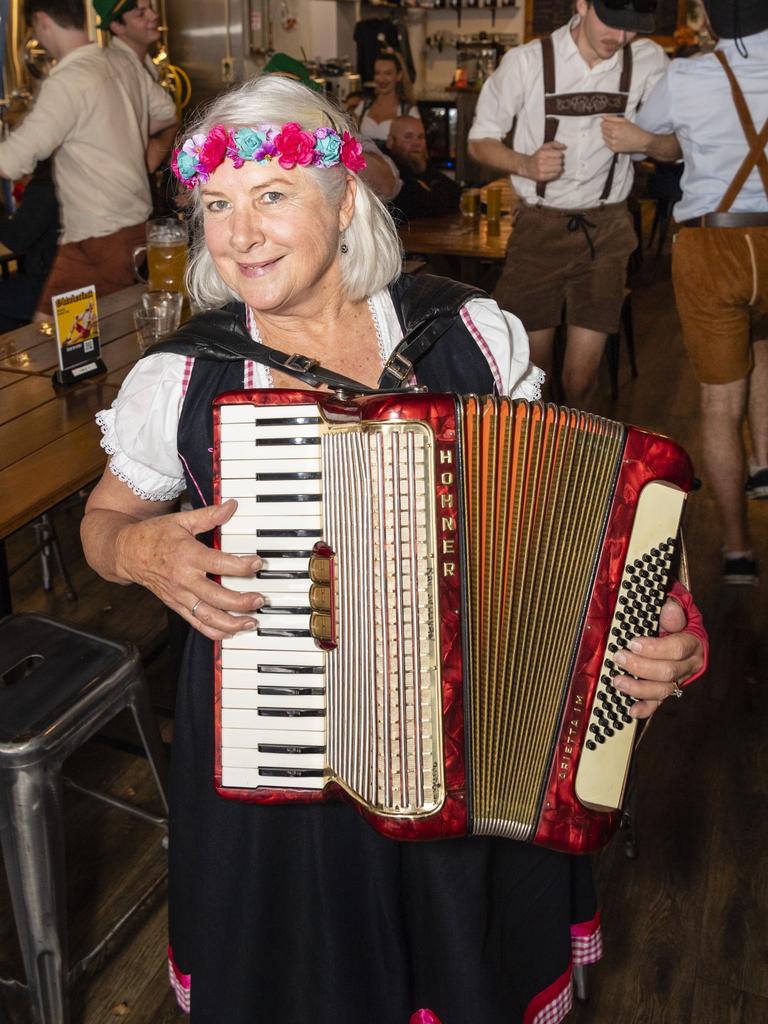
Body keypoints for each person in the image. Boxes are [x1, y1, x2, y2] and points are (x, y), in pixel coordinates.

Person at [80, 76, 707, 1024]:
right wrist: (139, 556)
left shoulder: (469, 332)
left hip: (472, 741)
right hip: (285, 767)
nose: (238, 234)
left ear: (345, 201)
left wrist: (662, 618)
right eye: (216, 205)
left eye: (272, 196)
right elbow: (101, 523)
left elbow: (571, 513)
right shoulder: (184, 378)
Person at [601, 0, 768, 585]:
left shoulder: (688, 73)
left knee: (719, 407)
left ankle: (738, 549)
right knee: (763, 345)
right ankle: (763, 463)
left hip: (712, 244)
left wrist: (641, 137)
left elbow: (655, 142)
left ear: (711, 20)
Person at [468, 0, 669, 409]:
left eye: (632, 29)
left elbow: (676, 147)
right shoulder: (527, 62)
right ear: (582, 5)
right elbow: (479, 140)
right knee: (533, 378)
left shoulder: (648, 61)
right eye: (613, 24)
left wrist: (645, 142)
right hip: (538, 231)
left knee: (581, 380)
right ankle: (546, 467)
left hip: (607, 229)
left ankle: (586, 469)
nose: (621, 38)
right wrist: (524, 162)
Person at [0, 0, 177, 320]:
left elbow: (11, 162)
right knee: (95, 335)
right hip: (135, 226)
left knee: (52, 338)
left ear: (42, 22)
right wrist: (122, 131)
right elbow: (166, 114)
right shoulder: (121, 63)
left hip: (97, 236)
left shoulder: (66, 82)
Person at [0, 159, 59, 333]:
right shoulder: (60, 182)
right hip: (60, 272)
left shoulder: (44, 189)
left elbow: (16, 239)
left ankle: (10, 352)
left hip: (51, 282)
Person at [384, 114, 462, 221]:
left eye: (420, 137)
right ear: (390, 142)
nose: (417, 143)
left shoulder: (420, 165)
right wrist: (435, 188)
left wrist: (426, 171)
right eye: (408, 137)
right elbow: (431, 206)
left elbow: (457, 194)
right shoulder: (389, 168)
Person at [354, 49, 421, 147]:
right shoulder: (363, 106)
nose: (381, 79)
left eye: (388, 73)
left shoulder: (408, 111)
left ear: (399, 75)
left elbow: (415, 148)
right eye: (377, 73)